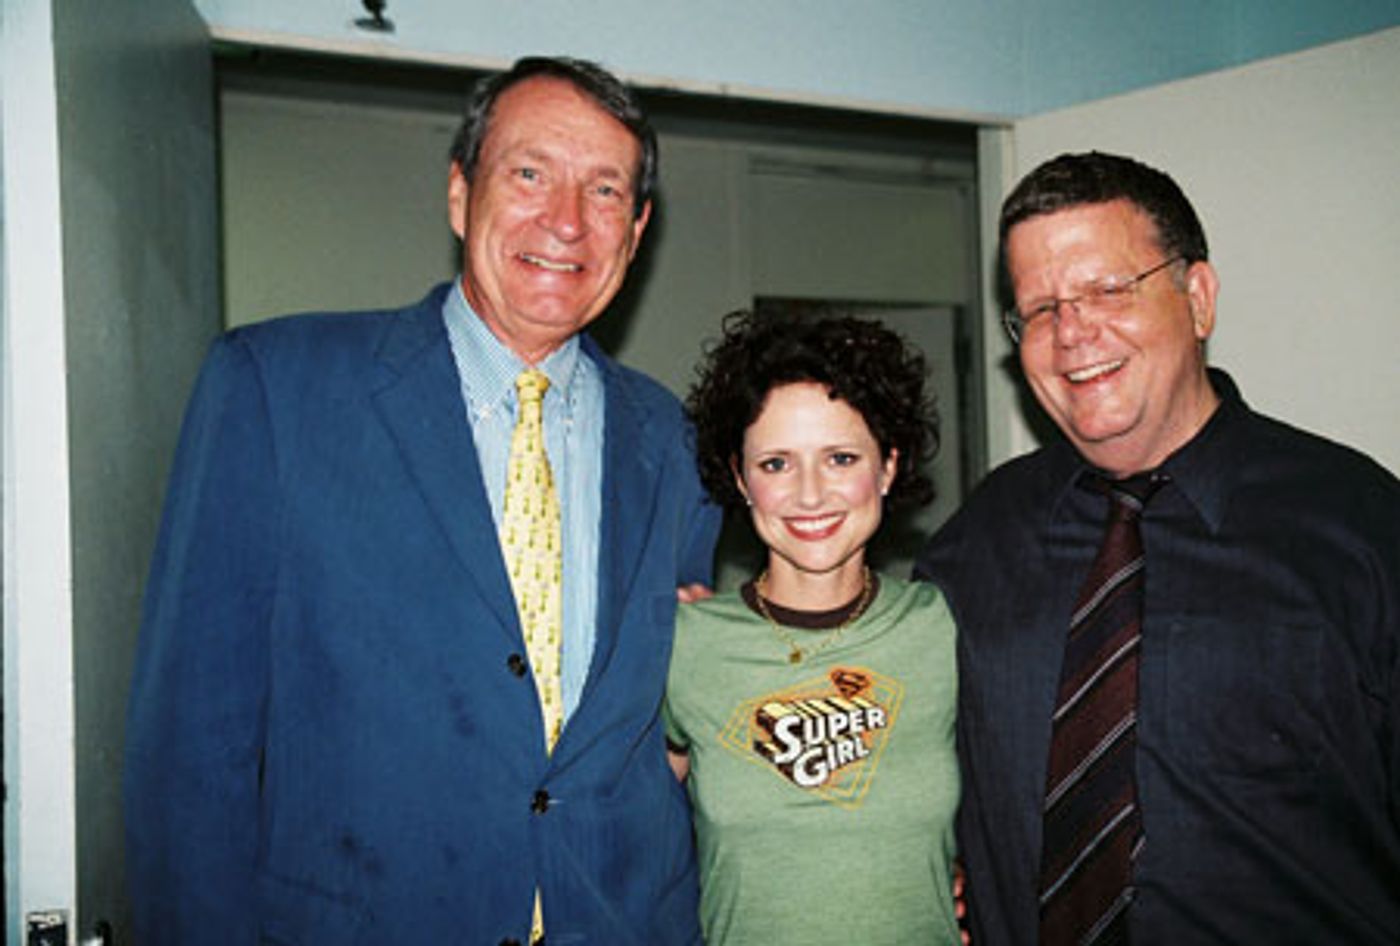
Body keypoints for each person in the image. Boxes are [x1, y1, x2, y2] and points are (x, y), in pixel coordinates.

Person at [124, 56, 720, 945]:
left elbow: (668, 729)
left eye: (604, 190)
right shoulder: (276, 389)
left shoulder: (674, 440)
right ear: (459, 193)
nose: (566, 221)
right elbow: (190, 750)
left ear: (634, 231)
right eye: (530, 173)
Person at [915, 151, 1400, 944]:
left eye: (1108, 289)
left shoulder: (1362, 527)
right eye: (1040, 309)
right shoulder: (978, 540)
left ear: (1198, 298)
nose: (1072, 332)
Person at [665, 309, 962, 944]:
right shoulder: (684, 644)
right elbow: (632, 845)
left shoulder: (944, 629)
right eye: (776, 463)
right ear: (741, 478)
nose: (809, 494)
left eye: (840, 458)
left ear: (887, 466)